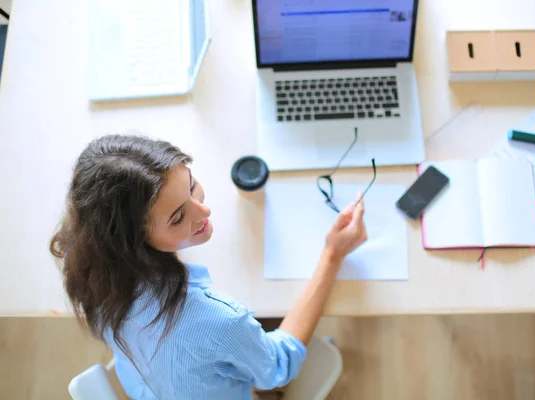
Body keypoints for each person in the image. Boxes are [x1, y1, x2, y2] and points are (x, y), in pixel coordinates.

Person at [50, 135, 367, 399]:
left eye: (191, 186)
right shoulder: (219, 319)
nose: (204, 211)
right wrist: (332, 255)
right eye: (177, 217)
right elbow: (277, 368)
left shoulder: (91, 262)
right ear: (136, 243)